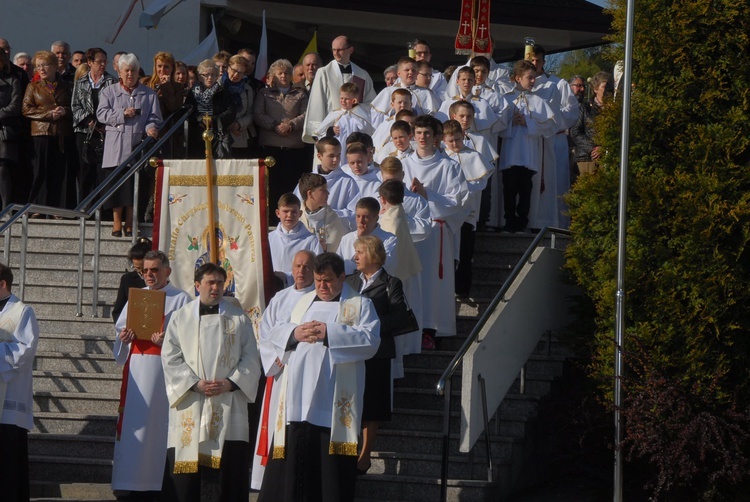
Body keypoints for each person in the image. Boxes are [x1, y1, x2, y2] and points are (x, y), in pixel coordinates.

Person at [258, 252, 380, 502]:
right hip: (296, 402)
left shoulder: (360, 305)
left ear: (343, 277)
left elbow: (370, 341)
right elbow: (274, 332)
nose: (322, 286)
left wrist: (329, 333)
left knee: (328, 474)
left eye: (328, 280)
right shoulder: (301, 303)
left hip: (332, 402)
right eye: (318, 280)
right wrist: (295, 334)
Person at [161, 263, 261, 502]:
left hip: (227, 400)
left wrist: (231, 382)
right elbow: (170, 356)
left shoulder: (239, 317)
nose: (215, 287)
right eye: (210, 282)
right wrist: (194, 384)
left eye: (220, 282)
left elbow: (251, 356)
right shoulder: (180, 317)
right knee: (189, 478)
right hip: (192, 402)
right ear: (197, 285)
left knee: (226, 471)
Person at [112, 250, 191, 501]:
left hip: (164, 373)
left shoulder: (182, 299)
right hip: (137, 366)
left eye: (154, 270)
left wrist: (168, 340)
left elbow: (190, 340)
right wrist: (123, 338)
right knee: (137, 422)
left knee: (159, 426)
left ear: (167, 271)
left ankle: (158, 481)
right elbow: (121, 331)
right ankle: (130, 480)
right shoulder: (136, 297)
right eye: (144, 270)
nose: (149, 275)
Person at [344, 235, 411, 474]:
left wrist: (369, 325)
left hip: (377, 352)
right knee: (350, 402)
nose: (355, 257)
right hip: (351, 351)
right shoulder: (349, 281)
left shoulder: (391, 283)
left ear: (372, 254)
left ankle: (365, 455)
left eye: (360, 252)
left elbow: (400, 317)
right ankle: (347, 448)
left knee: (373, 404)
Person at [401, 115, 468, 348]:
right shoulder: (404, 164)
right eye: (418, 133)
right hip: (408, 232)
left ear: (437, 137)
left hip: (435, 232)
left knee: (431, 283)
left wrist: (427, 195)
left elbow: (459, 201)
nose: (422, 137)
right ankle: (409, 329)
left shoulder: (448, 166)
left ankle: (430, 329)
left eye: (427, 133)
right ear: (412, 135)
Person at [252, 250, 316, 490]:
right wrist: (278, 358)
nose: (301, 271)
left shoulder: (318, 299)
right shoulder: (280, 298)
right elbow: (265, 333)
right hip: (279, 373)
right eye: (298, 266)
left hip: (304, 375)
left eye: (307, 267)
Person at [96, 53, 162, 237]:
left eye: (133, 71)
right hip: (116, 146)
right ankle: (116, 223)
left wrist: (151, 128)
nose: (130, 74)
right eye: (127, 70)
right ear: (120, 72)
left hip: (137, 146)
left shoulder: (149, 94)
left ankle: (131, 222)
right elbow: (101, 114)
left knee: (135, 186)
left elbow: (154, 117)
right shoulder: (109, 91)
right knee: (116, 187)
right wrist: (121, 113)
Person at [497, 59, 557, 233]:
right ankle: (509, 222)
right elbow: (497, 126)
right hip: (510, 153)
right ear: (517, 78)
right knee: (509, 189)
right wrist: (510, 122)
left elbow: (550, 125)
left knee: (525, 189)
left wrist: (528, 122)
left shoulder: (537, 101)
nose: (533, 81)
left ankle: (522, 222)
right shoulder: (506, 99)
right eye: (529, 78)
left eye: (534, 78)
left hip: (528, 153)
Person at [0, 263, 39, 502]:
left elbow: (24, 350)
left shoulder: (22, 311)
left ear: (2, 283)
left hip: (9, 397)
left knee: (8, 463)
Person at [442, 119, 494, 297]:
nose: (455, 144)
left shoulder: (474, 156)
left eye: (458, 139)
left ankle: (462, 289)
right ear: (443, 140)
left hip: (467, 214)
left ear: (463, 136)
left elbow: (480, 182)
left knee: (465, 252)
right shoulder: (441, 157)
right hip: (447, 214)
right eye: (451, 141)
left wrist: (461, 189)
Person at [253, 58, 309, 218]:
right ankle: (271, 217)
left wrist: (290, 125)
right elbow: (258, 114)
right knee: (271, 186)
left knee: (290, 184)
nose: (283, 76)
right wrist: (274, 125)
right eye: (279, 73)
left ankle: (291, 216)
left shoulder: (301, 94)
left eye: (286, 73)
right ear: (273, 76)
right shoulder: (263, 93)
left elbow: (306, 114)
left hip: (294, 148)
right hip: (270, 146)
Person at [22, 50, 74, 213]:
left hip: (61, 133)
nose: (41, 69)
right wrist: (48, 114)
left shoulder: (67, 86)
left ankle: (56, 209)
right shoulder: (33, 86)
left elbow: (75, 108)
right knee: (40, 171)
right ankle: (37, 207)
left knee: (59, 171)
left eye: (45, 65)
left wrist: (65, 111)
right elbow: (26, 109)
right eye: (38, 66)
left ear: (54, 66)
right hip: (41, 133)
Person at [302, 35, 376, 143]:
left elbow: (371, 104)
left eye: (340, 50)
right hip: (332, 130)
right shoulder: (324, 72)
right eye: (333, 50)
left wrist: (355, 109)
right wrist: (320, 133)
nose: (336, 53)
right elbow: (317, 104)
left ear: (350, 50)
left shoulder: (362, 74)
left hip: (355, 130)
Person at [71, 48, 117, 205]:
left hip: (105, 132)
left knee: (102, 171)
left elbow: (116, 106)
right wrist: (89, 121)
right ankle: (85, 207)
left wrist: (104, 122)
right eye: (100, 61)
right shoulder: (81, 82)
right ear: (90, 62)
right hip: (85, 132)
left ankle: (102, 208)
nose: (103, 64)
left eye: (105, 61)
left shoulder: (112, 82)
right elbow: (75, 106)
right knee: (85, 171)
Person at [268, 193, 323, 286]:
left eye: (294, 212)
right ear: (278, 213)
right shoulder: (269, 239)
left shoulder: (311, 240)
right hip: (272, 286)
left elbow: (318, 269)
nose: (289, 215)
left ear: (300, 213)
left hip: (301, 288)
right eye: (285, 211)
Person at [185, 59, 235, 159]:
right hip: (197, 136)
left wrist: (214, 119)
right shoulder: (192, 93)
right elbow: (188, 111)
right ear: (199, 76)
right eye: (206, 75)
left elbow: (231, 112)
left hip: (217, 136)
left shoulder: (224, 92)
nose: (210, 78)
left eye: (213, 75)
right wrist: (200, 119)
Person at [337, 197, 398, 276]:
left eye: (365, 217)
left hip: (376, 286)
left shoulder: (389, 239)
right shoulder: (346, 239)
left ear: (376, 218)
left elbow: (381, 266)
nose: (360, 221)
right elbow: (337, 266)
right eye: (358, 216)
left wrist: (362, 240)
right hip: (349, 285)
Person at [571, 71, 613, 179]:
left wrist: (604, 148)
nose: (608, 91)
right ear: (595, 89)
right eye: (605, 87)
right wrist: (593, 148)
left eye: (610, 88)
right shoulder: (584, 108)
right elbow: (575, 132)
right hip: (587, 159)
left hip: (609, 159)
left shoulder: (615, 110)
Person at [315, 82, 374, 154]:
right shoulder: (335, 114)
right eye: (341, 98)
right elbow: (321, 133)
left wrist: (356, 109)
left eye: (347, 99)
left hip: (355, 149)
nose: (343, 101)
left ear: (354, 100)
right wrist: (331, 131)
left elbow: (366, 128)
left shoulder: (360, 115)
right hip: (338, 149)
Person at [298, 172, 349, 253]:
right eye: (323, 190)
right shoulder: (296, 216)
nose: (328, 193)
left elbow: (339, 247)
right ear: (310, 193)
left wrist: (326, 248)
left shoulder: (332, 218)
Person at [0, 48, 23, 209]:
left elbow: (15, 106)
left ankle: (5, 208)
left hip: (4, 132)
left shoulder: (12, 80)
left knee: (3, 170)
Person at [111, 237, 152, 322]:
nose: (141, 272)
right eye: (137, 268)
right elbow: (118, 310)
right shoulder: (128, 279)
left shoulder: (159, 279)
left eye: (143, 268)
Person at [223, 55, 255, 158]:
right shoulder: (218, 85)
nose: (236, 75)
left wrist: (239, 124)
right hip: (221, 135)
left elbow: (251, 112)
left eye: (240, 72)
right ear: (228, 67)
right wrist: (229, 124)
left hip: (239, 135)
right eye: (234, 70)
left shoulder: (247, 89)